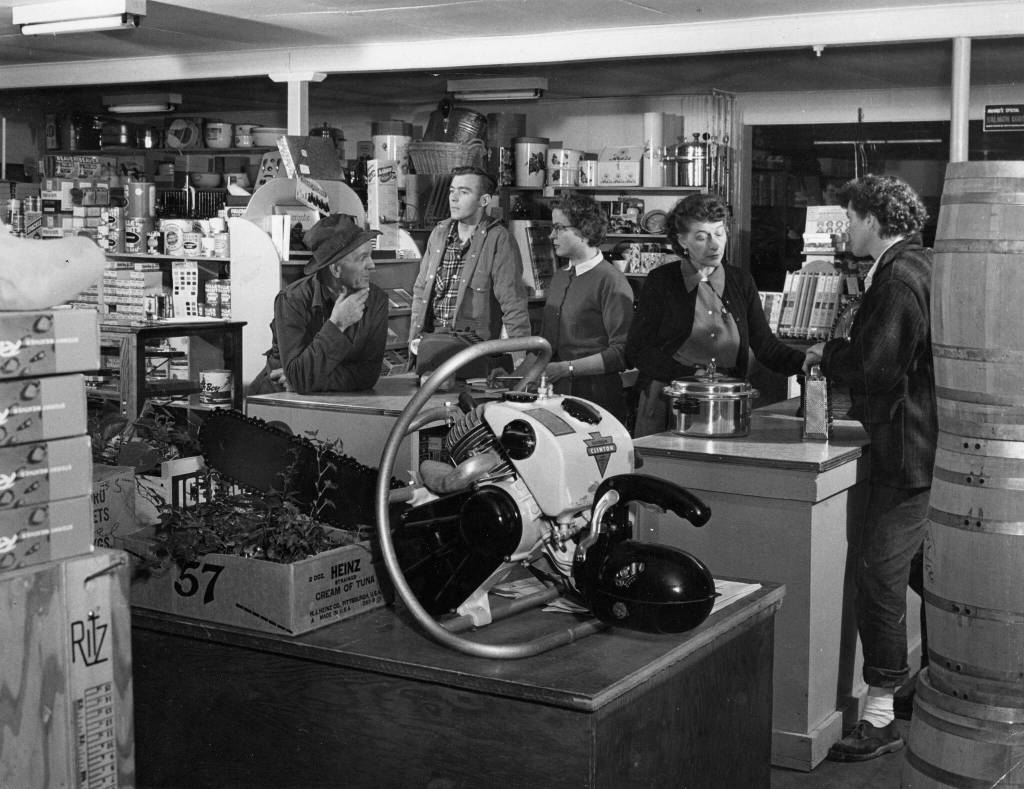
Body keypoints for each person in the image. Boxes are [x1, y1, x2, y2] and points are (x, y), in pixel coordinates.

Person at [804, 175, 936, 762]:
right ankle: (937, 684)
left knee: (879, 577)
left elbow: (877, 368)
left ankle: (880, 717)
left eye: (851, 218)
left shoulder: (898, 279)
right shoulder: (918, 266)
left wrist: (824, 355)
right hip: (924, 448)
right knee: (926, 578)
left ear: (876, 221)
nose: (845, 229)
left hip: (906, 454)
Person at [626, 193, 804, 436]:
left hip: (725, 405)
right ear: (682, 240)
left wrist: (807, 362)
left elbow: (765, 346)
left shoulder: (740, 280)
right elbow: (638, 351)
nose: (714, 244)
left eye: (719, 233)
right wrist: (690, 376)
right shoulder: (662, 281)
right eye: (702, 237)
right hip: (669, 401)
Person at [513, 193, 634, 422]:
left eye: (559, 228)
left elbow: (621, 354)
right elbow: (545, 343)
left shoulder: (611, 281)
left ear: (584, 230)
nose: (551, 235)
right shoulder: (560, 276)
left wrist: (565, 368)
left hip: (596, 399)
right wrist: (513, 379)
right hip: (556, 396)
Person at [248, 213, 387, 395]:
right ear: (336, 269)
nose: (372, 265)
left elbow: (369, 374)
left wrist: (310, 381)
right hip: (276, 399)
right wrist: (337, 324)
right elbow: (299, 378)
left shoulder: (376, 300)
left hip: (334, 400)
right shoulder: (292, 300)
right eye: (363, 258)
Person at [407, 165, 531, 365]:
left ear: (484, 200)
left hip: (473, 353)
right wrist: (414, 341)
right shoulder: (439, 234)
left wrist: (520, 362)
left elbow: (513, 304)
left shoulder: (498, 239)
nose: (453, 198)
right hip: (432, 347)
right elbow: (420, 291)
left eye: (464, 192)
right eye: (451, 191)